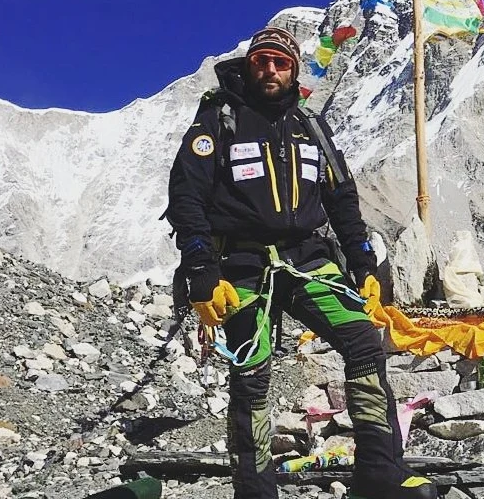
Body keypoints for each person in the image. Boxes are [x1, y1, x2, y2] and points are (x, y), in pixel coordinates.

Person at [166, 27, 435, 499]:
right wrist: (200, 269)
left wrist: (363, 263)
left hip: (309, 258)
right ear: (250, 67)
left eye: (281, 62)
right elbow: (187, 195)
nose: (270, 69)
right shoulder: (218, 119)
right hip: (240, 264)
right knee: (252, 374)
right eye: (261, 61)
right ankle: (255, 490)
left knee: (363, 343)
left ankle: (379, 474)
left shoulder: (311, 126)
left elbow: (342, 199)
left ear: (294, 71)